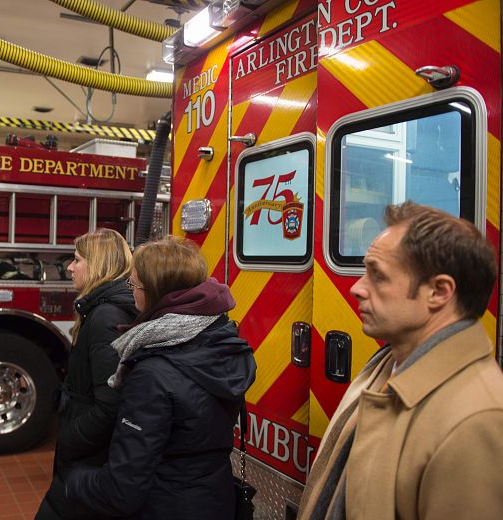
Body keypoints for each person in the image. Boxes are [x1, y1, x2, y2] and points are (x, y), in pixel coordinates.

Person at [297, 201, 503, 520]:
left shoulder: (478, 420)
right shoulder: (387, 365)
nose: (356, 288)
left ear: (438, 292)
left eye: (377, 276)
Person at [65, 236, 257, 519]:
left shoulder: (152, 374)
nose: (131, 292)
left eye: (134, 284)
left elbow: (123, 490)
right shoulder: (223, 343)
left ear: (156, 292)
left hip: (165, 506)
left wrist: (75, 482)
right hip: (214, 499)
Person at [36, 229, 138, 519]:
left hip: (88, 456)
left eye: (77, 259)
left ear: (98, 266)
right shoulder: (102, 310)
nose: (69, 267)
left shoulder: (106, 317)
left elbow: (110, 403)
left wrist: (70, 439)